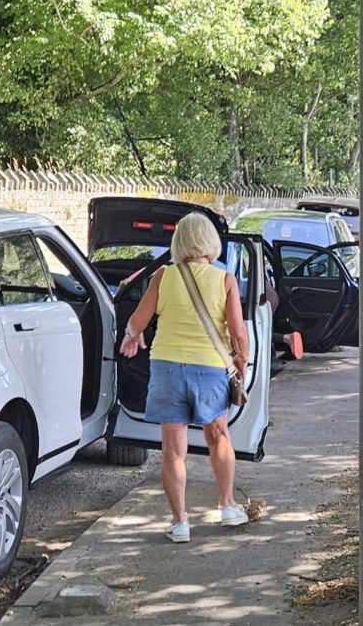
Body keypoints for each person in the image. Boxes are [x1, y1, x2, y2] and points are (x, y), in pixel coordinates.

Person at [120, 213, 250, 542]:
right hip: (208, 368)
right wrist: (241, 364)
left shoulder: (163, 276)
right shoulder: (225, 280)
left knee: (172, 450)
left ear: (178, 243)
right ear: (210, 242)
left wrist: (133, 336)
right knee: (218, 436)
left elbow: (138, 320)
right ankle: (228, 506)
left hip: (166, 367)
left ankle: (180, 523)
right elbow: (239, 333)